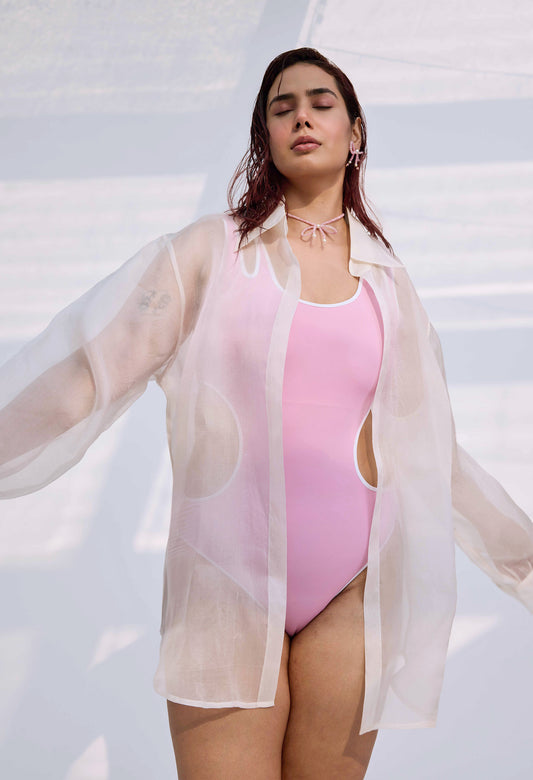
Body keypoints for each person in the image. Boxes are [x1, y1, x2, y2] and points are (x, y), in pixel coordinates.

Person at [0, 47, 532, 780]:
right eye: (282, 108)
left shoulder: (389, 282)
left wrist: (522, 561)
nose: (301, 117)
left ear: (354, 131)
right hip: (228, 580)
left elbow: (429, 450)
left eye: (320, 103)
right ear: (266, 137)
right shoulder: (209, 252)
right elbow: (84, 377)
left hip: (352, 589)